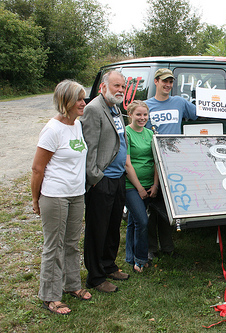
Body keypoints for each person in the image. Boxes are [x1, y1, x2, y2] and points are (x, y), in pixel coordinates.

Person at [31, 80, 92, 315]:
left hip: (76, 194)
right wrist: (36, 200)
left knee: (71, 243)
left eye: (83, 98)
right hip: (55, 195)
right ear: (65, 101)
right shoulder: (52, 129)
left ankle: (72, 285)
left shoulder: (76, 125)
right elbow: (37, 169)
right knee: (53, 246)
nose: (83, 103)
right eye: (78, 99)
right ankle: (50, 295)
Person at [81, 70, 130, 293]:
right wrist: (95, 178)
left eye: (123, 86)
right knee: (97, 230)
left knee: (112, 227)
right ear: (104, 87)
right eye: (116, 86)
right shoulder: (93, 109)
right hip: (102, 180)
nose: (120, 90)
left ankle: (109, 265)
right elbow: (89, 148)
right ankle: (96, 276)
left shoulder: (115, 108)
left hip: (118, 178)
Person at [144, 68, 195, 259]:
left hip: (173, 160)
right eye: (164, 81)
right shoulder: (147, 106)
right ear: (156, 82)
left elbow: (201, 112)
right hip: (152, 162)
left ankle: (167, 246)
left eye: (171, 82)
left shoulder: (180, 102)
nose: (168, 85)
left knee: (167, 206)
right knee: (151, 206)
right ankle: (150, 248)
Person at [124, 100, 159, 272]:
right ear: (130, 114)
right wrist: (139, 188)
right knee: (143, 221)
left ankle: (130, 257)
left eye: (145, 114)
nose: (142, 118)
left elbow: (156, 161)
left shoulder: (150, 133)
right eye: (138, 114)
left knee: (134, 221)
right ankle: (141, 258)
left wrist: (155, 184)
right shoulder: (126, 133)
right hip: (131, 186)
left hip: (149, 185)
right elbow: (127, 163)